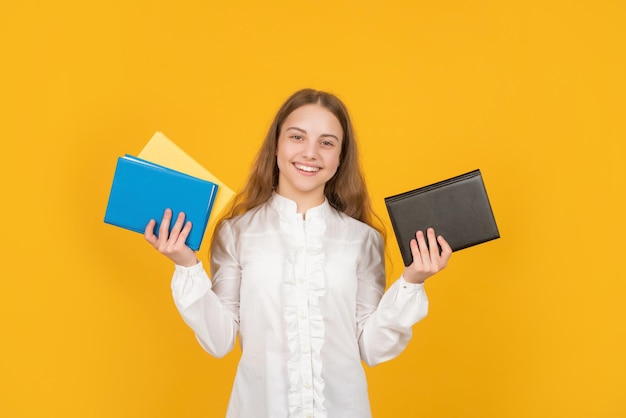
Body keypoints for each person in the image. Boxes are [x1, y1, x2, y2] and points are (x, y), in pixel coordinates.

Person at [144, 88, 453, 418]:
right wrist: (186, 265)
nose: (310, 153)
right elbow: (220, 341)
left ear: (340, 157)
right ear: (276, 145)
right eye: (297, 137)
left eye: (326, 142)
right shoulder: (236, 233)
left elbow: (372, 347)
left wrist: (412, 281)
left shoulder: (363, 240)